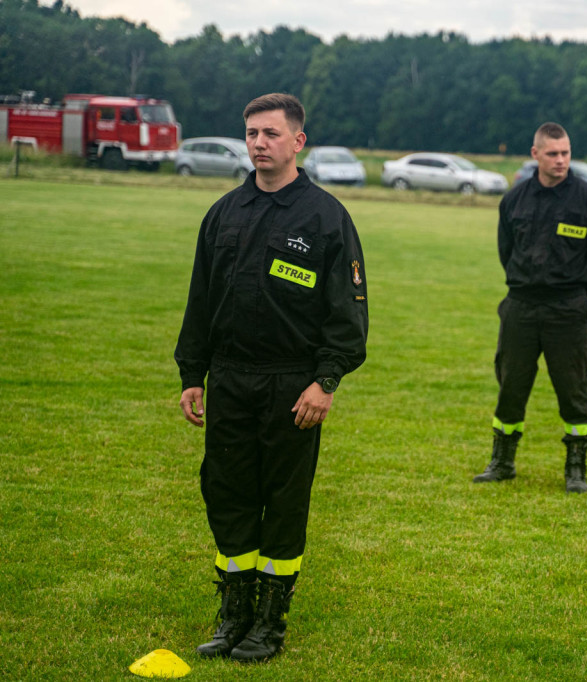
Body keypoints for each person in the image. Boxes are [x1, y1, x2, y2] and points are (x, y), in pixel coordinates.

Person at [174, 93, 368, 662]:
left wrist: (325, 380)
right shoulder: (224, 213)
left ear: (298, 142)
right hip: (231, 380)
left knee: (283, 500)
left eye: (271, 134)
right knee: (227, 493)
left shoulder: (327, 217)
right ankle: (234, 610)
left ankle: (270, 620)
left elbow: (349, 313)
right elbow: (200, 300)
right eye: (252, 133)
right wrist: (194, 373)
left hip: (293, 386)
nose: (259, 143)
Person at [473, 122, 587, 493]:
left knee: (573, 389)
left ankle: (576, 468)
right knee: (511, 384)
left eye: (566, 153)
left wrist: (575, 292)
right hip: (520, 306)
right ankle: (502, 462)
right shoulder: (515, 200)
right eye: (553, 153)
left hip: (567, 308)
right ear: (535, 154)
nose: (561, 160)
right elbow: (507, 252)